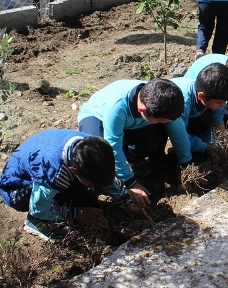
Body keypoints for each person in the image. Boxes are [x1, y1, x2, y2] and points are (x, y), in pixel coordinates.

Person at [0, 130, 143, 242]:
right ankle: (35, 222)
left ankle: (68, 200)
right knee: (69, 226)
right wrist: (78, 213)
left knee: (89, 201)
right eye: (91, 182)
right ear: (74, 170)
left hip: (46, 176)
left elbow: (104, 175)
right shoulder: (56, 173)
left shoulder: (92, 147)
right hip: (18, 190)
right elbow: (39, 208)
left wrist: (126, 200)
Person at [77, 79, 185, 208]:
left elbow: (178, 132)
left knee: (152, 139)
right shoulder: (116, 107)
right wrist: (130, 183)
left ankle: (134, 161)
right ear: (142, 110)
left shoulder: (163, 102)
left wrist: (186, 162)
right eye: (160, 120)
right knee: (97, 155)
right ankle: (101, 186)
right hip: (96, 117)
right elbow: (113, 146)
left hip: (129, 124)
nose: (164, 122)